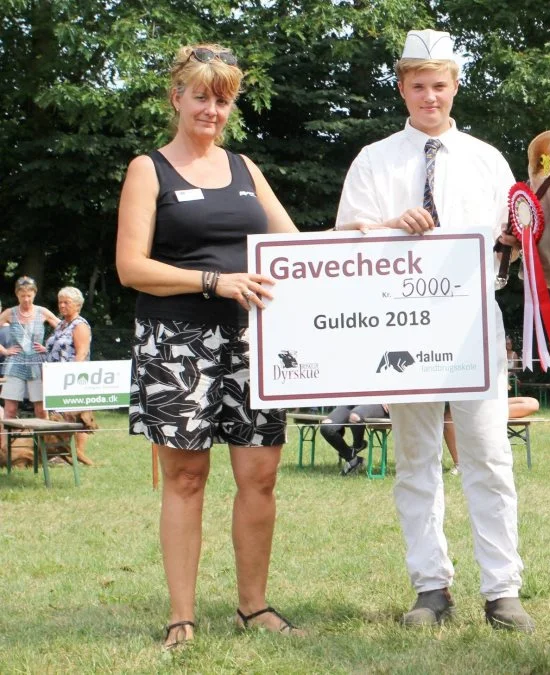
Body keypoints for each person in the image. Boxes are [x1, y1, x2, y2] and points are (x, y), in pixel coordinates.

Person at [335, 29, 532, 632]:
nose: (429, 97)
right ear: (401, 88)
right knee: (415, 458)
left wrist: (508, 245)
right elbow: (343, 244)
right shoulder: (374, 160)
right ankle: (431, 588)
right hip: (399, 331)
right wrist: (392, 226)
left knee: (489, 455)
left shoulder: (487, 160)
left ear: (454, 86)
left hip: (471, 325)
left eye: (439, 85)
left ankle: (502, 591)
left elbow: (514, 244)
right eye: (418, 86)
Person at [115, 43, 303, 651]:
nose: (213, 110)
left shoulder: (247, 169)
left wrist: (369, 232)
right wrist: (213, 281)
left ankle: (254, 606)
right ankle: (182, 616)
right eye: (202, 96)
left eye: (223, 100)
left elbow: (298, 245)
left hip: (253, 340)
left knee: (260, 475)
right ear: (177, 97)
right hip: (175, 341)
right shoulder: (149, 169)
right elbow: (130, 267)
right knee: (187, 479)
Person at [44, 286, 96, 465]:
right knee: (59, 417)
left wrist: (71, 378)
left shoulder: (79, 325)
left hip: (73, 379)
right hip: (55, 378)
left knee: (75, 416)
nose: (62, 305)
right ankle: (63, 453)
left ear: (78, 305)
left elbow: (81, 354)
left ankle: (79, 455)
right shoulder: (61, 324)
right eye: (60, 302)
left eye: (67, 302)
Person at [0, 276, 60, 423]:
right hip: (15, 363)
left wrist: (48, 348)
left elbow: (64, 329)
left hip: (37, 364)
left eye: (29, 295)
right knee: (10, 409)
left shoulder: (42, 312)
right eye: (22, 296)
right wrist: (5, 351)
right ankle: (7, 445)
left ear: (35, 293)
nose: (26, 299)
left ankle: (43, 443)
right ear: (17, 295)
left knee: (40, 409)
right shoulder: (9, 313)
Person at [319, 403, 388, 475]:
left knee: (354, 417)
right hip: (351, 400)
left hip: (379, 402)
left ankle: (358, 445)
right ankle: (353, 459)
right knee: (326, 426)